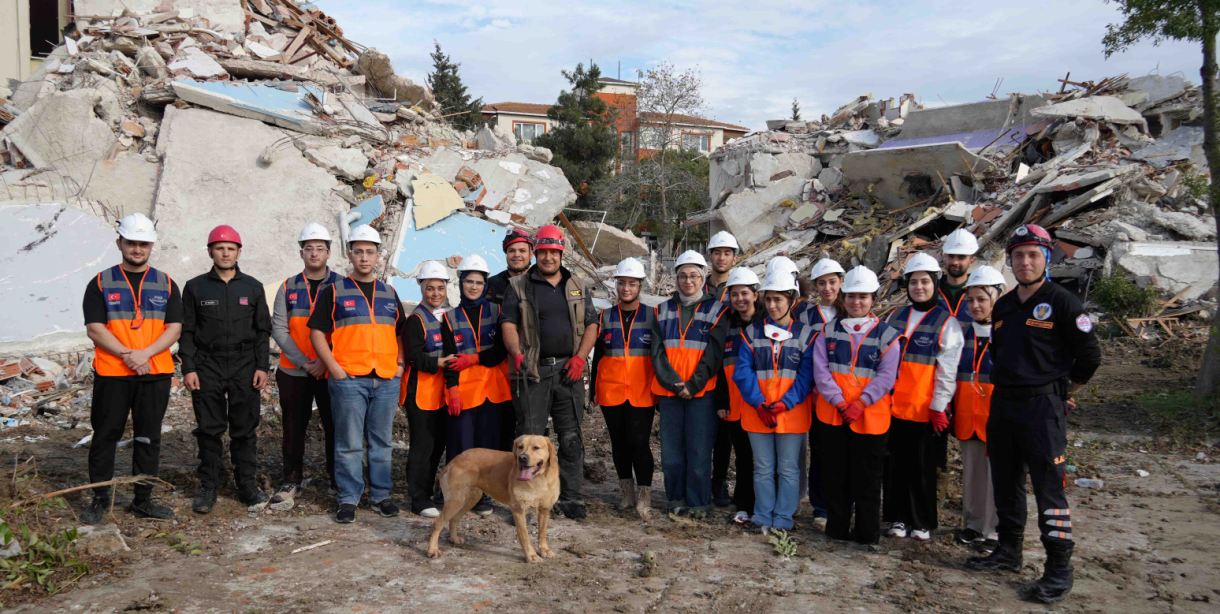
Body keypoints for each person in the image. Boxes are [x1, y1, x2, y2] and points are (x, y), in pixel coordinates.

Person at [966, 224, 1101, 605]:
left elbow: (1090, 356)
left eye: (1033, 255)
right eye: (1019, 255)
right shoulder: (1005, 305)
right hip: (1004, 405)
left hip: (1043, 409)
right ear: (1010, 260)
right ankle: (1008, 551)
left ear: (1047, 258)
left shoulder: (1064, 303)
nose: (1025, 262)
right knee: (1005, 482)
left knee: (1048, 489)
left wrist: (1065, 392)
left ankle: (1058, 569)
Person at [80, 213, 182, 523]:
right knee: (105, 435)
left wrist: (145, 354)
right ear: (119, 243)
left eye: (143, 244)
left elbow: (174, 328)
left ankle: (143, 500)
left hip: (154, 373)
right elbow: (95, 328)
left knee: (148, 437)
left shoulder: (166, 283)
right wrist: (128, 355)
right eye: (131, 243)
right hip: (113, 373)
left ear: (151, 246)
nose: (137, 249)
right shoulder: (100, 282)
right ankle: (100, 499)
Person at [308, 226, 406, 524]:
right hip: (349, 379)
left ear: (378, 256)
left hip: (386, 379)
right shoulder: (334, 291)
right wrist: (334, 368)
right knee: (349, 442)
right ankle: (348, 498)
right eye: (359, 252)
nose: (364, 257)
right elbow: (316, 332)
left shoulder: (389, 293)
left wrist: (400, 365)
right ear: (350, 255)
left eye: (370, 252)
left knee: (381, 442)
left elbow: (400, 332)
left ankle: (381, 496)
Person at [501, 224, 598, 520]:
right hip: (534, 372)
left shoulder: (577, 284)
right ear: (536, 253)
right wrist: (517, 354)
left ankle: (570, 497)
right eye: (543, 252)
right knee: (529, 441)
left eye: (553, 252)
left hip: (569, 372)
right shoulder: (519, 286)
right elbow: (508, 324)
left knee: (570, 437)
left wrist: (580, 358)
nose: (548, 258)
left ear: (561, 253)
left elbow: (592, 324)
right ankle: (525, 500)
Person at [181, 225, 272, 514]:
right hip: (208, 364)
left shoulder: (253, 287)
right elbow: (187, 331)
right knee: (209, 429)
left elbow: (262, 331)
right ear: (210, 251)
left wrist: (262, 367)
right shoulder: (195, 287)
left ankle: (247, 485)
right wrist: (189, 367)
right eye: (220, 248)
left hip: (245, 365)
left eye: (231, 248)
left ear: (238, 252)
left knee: (244, 428)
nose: (225, 253)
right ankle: (209, 486)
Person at [813, 266, 901, 545]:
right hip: (834, 415)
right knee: (836, 476)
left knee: (868, 480)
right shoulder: (828, 331)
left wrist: (861, 402)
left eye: (863, 296)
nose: (856, 302)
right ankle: (837, 530)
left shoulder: (887, 335)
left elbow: (887, 376)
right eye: (851, 296)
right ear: (844, 298)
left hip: (871, 418)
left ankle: (867, 534)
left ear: (873, 298)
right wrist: (839, 401)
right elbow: (821, 371)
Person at [882, 252, 963, 541]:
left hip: (924, 410)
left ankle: (921, 521)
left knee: (922, 468)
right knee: (894, 467)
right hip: (892, 408)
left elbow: (947, 370)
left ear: (935, 284)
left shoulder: (947, 323)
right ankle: (897, 518)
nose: (919, 287)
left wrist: (939, 406)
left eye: (925, 282)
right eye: (914, 282)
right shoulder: (894, 317)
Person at [732, 270, 816, 534]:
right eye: (768, 299)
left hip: (791, 414)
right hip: (758, 412)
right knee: (763, 468)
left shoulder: (806, 335)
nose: (772, 305)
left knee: (789, 469)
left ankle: (783, 517)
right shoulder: (751, 333)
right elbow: (742, 372)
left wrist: (785, 403)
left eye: (778, 299)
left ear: (792, 301)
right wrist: (759, 403)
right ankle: (762, 515)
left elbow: (807, 376)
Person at [650, 250, 727, 518]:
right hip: (670, 393)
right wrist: (674, 383)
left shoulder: (717, 310)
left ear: (703, 277)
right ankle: (675, 498)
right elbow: (657, 353)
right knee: (671, 452)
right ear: (676, 278)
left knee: (699, 450)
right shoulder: (661, 310)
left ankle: (698, 502)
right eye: (683, 276)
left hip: (701, 393)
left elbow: (714, 353)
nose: (688, 281)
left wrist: (692, 385)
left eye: (694, 275)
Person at [269, 222, 340, 511]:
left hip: (330, 371)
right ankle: (291, 479)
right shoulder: (288, 287)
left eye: (320, 248)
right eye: (309, 248)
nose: (314, 253)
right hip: (293, 371)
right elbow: (279, 328)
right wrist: (305, 362)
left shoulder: (342, 286)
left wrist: (324, 362)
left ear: (328, 252)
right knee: (293, 427)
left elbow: (346, 330)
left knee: (336, 426)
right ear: (301, 253)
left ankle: (337, 479)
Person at [441, 254, 511, 517]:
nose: (473, 286)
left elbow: (501, 351)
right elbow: (448, 358)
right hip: (466, 391)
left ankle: (484, 496)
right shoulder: (450, 318)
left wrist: (473, 358)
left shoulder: (497, 312)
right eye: (469, 281)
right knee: (462, 445)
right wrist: (452, 388)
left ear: (485, 285)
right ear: (461, 283)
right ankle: (456, 494)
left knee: (489, 447)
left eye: (479, 282)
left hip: (494, 390)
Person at [590, 258, 656, 520]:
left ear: (640, 286)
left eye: (632, 283)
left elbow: (660, 356)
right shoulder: (605, 317)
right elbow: (598, 357)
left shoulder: (652, 316)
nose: (626, 288)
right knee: (618, 443)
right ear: (616, 285)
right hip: (611, 390)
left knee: (639, 443)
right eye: (622, 283)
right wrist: (593, 391)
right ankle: (626, 492)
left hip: (642, 391)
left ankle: (644, 494)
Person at [953, 265, 1006, 552]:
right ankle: (973, 525)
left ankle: (994, 531)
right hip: (968, 415)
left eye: (982, 299)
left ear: (997, 297)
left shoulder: (1008, 334)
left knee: (997, 477)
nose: (975, 305)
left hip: (997, 418)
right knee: (972, 473)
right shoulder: (962, 333)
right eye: (971, 300)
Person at [400, 260, 453, 518]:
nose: (435, 293)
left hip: (442, 394)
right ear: (422, 288)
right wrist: (439, 363)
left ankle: (429, 491)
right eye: (430, 288)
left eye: (440, 288)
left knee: (437, 445)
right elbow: (413, 356)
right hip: (420, 392)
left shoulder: (447, 317)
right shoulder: (416, 320)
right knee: (422, 446)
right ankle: (418, 498)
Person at [713, 267, 760, 524]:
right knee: (743, 456)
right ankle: (743, 504)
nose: (740, 299)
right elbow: (720, 367)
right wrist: (722, 400)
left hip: (761, 403)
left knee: (761, 459)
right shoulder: (728, 326)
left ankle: (762, 504)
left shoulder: (766, 325)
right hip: (734, 402)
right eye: (735, 294)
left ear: (755, 295)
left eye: (745, 293)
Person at [802, 257, 845, 530]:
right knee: (819, 451)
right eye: (821, 283)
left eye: (832, 282)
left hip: (845, 395)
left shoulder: (851, 312)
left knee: (841, 453)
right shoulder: (806, 316)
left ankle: (841, 503)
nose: (827, 288)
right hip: (815, 395)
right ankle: (820, 506)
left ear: (841, 282)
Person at [938, 229, 980, 325]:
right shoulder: (932, 290)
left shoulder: (981, 292)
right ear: (944, 257)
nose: (955, 262)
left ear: (972, 260)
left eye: (961, 257)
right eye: (951, 256)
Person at [486, 229, 533, 305]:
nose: (517, 255)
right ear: (506, 254)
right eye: (511, 251)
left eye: (522, 251)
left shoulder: (542, 286)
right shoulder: (491, 284)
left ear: (531, 254)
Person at [705, 231, 739, 302]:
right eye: (717, 253)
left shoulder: (738, 288)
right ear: (710, 257)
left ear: (734, 259)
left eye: (727, 254)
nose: (721, 258)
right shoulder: (698, 286)